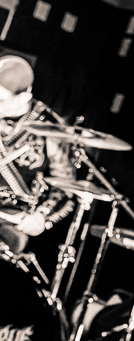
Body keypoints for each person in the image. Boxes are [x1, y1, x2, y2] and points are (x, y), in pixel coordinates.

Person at [0, 55, 75, 254]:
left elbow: (65, 185)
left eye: (1, 100)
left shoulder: (50, 128)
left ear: (23, 97)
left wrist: (41, 216)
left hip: (12, 216)